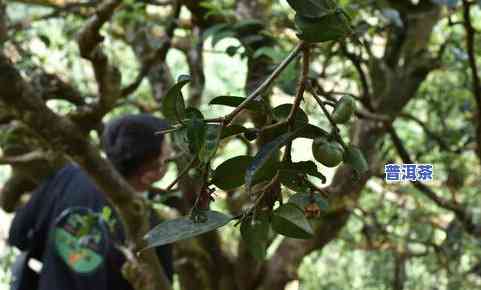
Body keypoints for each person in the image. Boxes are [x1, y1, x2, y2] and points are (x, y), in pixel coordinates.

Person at [8, 114, 174, 290]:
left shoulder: (68, 176)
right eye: (168, 158)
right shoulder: (153, 228)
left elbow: (18, 235)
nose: (171, 155)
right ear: (151, 173)